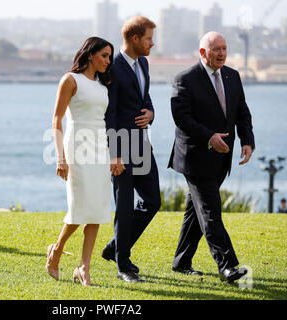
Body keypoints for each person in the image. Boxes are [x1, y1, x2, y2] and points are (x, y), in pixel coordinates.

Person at [168, 31, 255, 284]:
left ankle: (181, 262)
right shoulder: (185, 79)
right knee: (210, 211)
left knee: (195, 211)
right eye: (216, 49)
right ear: (203, 53)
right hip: (195, 157)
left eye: (224, 48)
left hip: (222, 158)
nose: (221, 53)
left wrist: (247, 140)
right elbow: (182, 118)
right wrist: (209, 137)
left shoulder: (232, 75)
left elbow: (242, 112)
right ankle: (228, 267)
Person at [46, 37, 117, 286]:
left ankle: (83, 268)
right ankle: (55, 251)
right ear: (90, 55)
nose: (109, 61)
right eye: (104, 55)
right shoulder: (70, 80)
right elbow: (56, 120)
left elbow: (105, 123)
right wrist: (60, 158)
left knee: (97, 209)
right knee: (78, 209)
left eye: (110, 56)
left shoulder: (102, 86)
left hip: (99, 147)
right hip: (76, 147)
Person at [102, 16, 161, 283]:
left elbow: (144, 98)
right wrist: (114, 153)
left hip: (141, 142)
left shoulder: (144, 63)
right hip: (120, 144)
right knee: (124, 205)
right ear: (135, 39)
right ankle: (123, 264)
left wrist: (151, 113)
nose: (153, 43)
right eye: (149, 38)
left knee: (152, 201)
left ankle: (115, 247)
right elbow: (109, 112)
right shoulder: (112, 67)